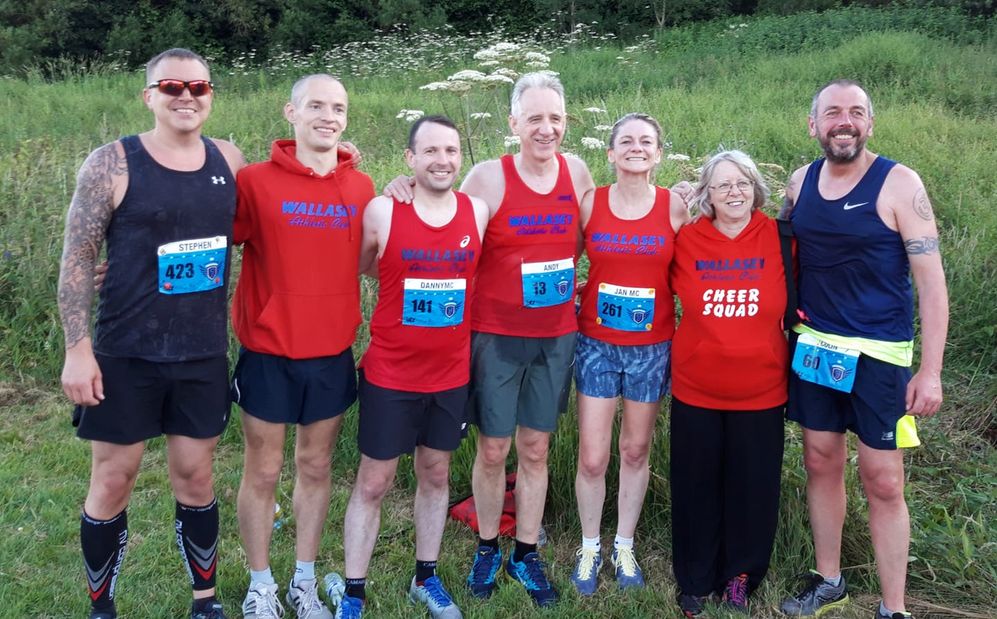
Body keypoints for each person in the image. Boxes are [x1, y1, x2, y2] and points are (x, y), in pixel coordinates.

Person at [384, 72, 594, 607]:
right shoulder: (487, 177)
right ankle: (485, 545)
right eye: (535, 119)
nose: (546, 129)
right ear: (513, 123)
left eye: (556, 119)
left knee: (536, 447)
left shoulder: (577, 171)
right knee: (494, 447)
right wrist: (400, 190)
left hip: (555, 336)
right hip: (496, 335)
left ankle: (526, 551)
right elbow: (442, 219)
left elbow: (608, 225)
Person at [58, 48, 244, 619]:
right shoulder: (112, 163)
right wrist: (77, 349)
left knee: (196, 475)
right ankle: (101, 606)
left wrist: (350, 160)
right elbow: (77, 258)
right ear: (149, 96)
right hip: (126, 351)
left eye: (198, 86)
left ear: (211, 94)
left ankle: (205, 602)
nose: (186, 96)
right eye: (171, 86)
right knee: (114, 478)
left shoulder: (230, 159)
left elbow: (285, 205)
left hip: (201, 352)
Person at [779, 79, 948, 619]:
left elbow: (931, 284)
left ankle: (893, 607)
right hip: (816, 351)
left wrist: (931, 371)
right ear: (813, 125)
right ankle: (829, 580)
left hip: (880, 357)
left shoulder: (899, 184)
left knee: (883, 479)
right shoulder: (799, 182)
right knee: (820, 462)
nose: (843, 122)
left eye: (855, 112)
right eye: (832, 113)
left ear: (870, 124)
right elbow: (775, 251)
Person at [333, 115, 489, 619]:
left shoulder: (478, 211)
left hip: (450, 375)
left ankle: (426, 576)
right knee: (374, 482)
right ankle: (353, 589)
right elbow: (358, 266)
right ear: (410, 159)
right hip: (391, 374)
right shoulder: (383, 210)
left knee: (436, 473)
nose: (442, 160)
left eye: (450, 151)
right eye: (430, 152)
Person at [231, 74, 374, 619]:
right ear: (289, 112)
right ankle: (260, 584)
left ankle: (305, 582)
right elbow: (207, 234)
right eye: (316, 105)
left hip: (330, 352)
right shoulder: (254, 181)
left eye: (338, 107)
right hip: (268, 352)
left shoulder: (361, 187)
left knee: (316, 468)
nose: (328, 116)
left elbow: (375, 253)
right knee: (263, 471)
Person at [570, 113, 688, 595]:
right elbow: (558, 252)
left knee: (635, 450)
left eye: (646, 142)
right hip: (596, 343)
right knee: (594, 456)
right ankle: (589, 545)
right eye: (626, 141)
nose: (636, 148)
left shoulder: (676, 206)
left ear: (658, 154)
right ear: (611, 153)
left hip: (651, 347)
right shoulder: (590, 203)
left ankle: (624, 544)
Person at [669, 150, 788, 617]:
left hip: (761, 389)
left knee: (753, 487)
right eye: (722, 185)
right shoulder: (686, 238)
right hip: (696, 386)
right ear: (707, 195)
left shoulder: (781, 238)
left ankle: (740, 576)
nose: (734, 192)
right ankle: (695, 579)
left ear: (756, 188)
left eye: (742, 183)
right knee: (695, 484)